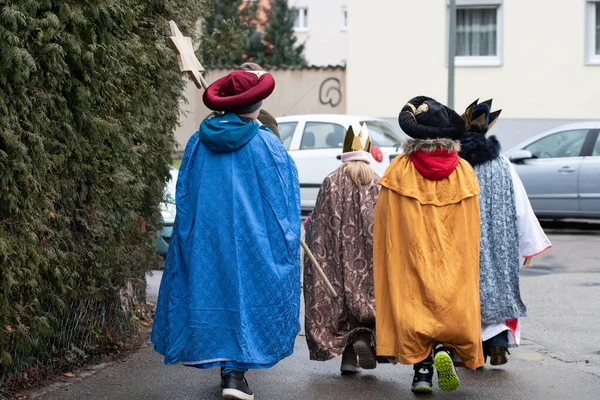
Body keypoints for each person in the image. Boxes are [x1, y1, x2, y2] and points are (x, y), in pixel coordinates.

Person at [152, 70, 301, 400]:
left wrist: (189, 238)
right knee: (247, 297)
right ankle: (235, 373)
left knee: (214, 295)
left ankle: (227, 369)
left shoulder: (196, 143)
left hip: (208, 240)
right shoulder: (268, 146)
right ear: (256, 106)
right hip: (254, 243)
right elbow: (284, 202)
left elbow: (185, 195)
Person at [373, 96, 484, 393]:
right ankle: (444, 349)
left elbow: (384, 219)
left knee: (414, 304)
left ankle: (422, 370)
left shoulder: (400, 170)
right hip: (453, 255)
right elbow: (472, 224)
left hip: (411, 251)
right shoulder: (464, 171)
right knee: (448, 302)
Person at [459, 99, 551, 366]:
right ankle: (498, 344)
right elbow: (520, 204)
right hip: (500, 241)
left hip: (464, 238)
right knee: (498, 288)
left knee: (466, 291)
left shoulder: (457, 162)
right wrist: (528, 243)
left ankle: (467, 350)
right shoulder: (502, 163)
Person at [303, 124, 380, 374]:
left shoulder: (331, 181)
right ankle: (363, 339)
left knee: (342, 302)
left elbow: (319, 224)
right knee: (367, 299)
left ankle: (349, 357)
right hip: (369, 258)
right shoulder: (378, 182)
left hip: (336, 257)